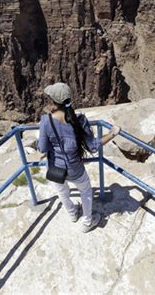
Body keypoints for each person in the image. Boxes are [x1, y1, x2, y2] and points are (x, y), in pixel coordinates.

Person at [37, 82, 120, 233]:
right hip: (75, 169)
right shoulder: (79, 120)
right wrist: (112, 133)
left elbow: (42, 148)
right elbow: (93, 146)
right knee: (86, 191)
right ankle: (88, 221)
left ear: (53, 101)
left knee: (62, 192)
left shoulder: (45, 121)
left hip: (55, 168)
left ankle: (72, 213)